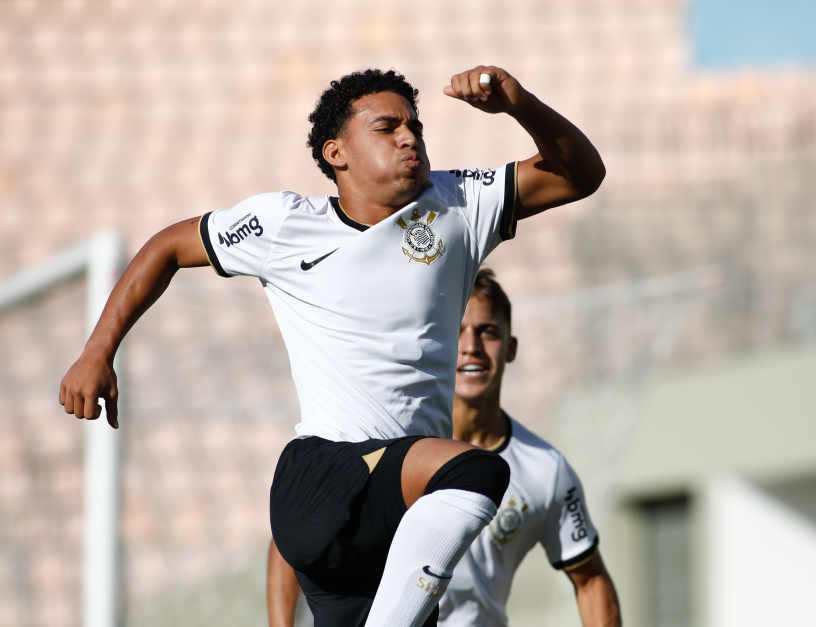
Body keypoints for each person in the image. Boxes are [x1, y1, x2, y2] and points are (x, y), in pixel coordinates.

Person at [59, 65, 605, 627]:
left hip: (399, 519)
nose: (409, 136)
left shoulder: (459, 204)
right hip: (323, 478)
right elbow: (168, 246)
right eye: (387, 126)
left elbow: (581, 174)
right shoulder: (284, 224)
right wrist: (97, 352)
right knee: (477, 471)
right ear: (336, 152)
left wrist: (520, 104)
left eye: (415, 125)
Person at [267, 269, 622, 627]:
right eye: (458, 331)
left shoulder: (545, 469)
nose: (472, 346)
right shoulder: (387, 439)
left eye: (488, 332)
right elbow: (299, 527)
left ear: (511, 347)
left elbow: (591, 579)